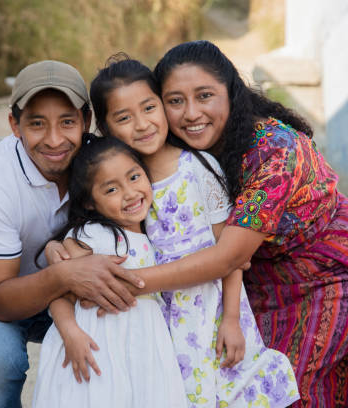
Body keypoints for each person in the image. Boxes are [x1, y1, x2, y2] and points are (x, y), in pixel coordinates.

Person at [143, 40, 348, 407]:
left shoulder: (275, 152)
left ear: (231, 93)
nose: (191, 113)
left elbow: (227, 257)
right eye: (175, 101)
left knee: (282, 388)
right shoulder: (179, 152)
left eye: (204, 96)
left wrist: (129, 282)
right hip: (263, 283)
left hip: (331, 274)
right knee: (240, 383)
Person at [88, 57, 299, 407]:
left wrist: (231, 319)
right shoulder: (123, 185)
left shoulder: (199, 168)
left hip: (211, 309)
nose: (142, 124)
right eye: (124, 118)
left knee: (228, 389)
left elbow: (230, 255)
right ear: (107, 128)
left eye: (149, 108)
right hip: (162, 317)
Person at [0, 60, 145, 408]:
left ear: (86, 120)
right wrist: (66, 273)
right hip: (0, 290)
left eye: (67, 122)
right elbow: (0, 299)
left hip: (75, 283)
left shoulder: (98, 162)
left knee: (135, 329)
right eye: (37, 124)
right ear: (15, 124)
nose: (55, 140)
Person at [32, 135, 187, 407]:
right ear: (90, 202)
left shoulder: (157, 229)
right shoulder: (94, 236)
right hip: (97, 347)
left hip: (145, 347)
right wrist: (71, 333)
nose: (129, 193)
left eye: (134, 177)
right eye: (111, 190)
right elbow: (60, 295)